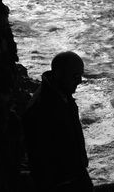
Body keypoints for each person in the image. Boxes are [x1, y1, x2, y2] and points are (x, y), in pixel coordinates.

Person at [23, 51, 93, 192]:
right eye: (75, 76)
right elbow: (40, 157)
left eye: (80, 76)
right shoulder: (41, 107)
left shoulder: (63, 95)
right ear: (58, 74)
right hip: (61, 184)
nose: (79, 81)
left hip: (74, 177)